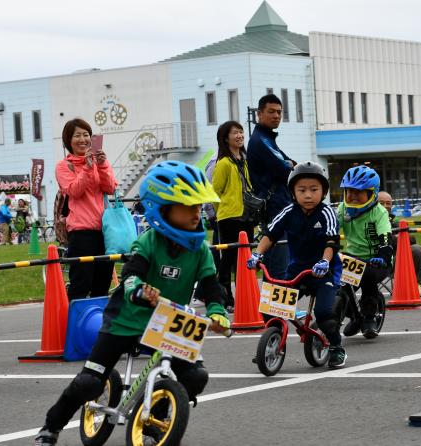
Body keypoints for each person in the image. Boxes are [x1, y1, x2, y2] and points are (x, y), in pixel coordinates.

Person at [34, 161, 231, 446]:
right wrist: (138, 290)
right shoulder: (148, 242)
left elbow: (212, 287)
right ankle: (50, 428)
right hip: (126, 318)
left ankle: (156, 421)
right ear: (162, 209)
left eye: (199, 207)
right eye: (188, 206)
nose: (196, 213)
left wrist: (216, 311)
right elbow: (130, 276)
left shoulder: (200, 249)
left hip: (169, 320)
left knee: (196, 377)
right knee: (90, 382)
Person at [246, 162, 346, 368]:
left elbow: (331, 242)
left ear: (323, 192)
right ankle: (272, 342)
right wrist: (257, 255)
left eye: (314, 190)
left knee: (324, 314)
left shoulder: (327, 213)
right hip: (297, 270)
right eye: (302, 190)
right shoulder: (288, 212)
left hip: (324, 272)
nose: (308, 195)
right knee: (271, 305)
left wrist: (324, 261)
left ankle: (336, 346)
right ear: (293, 192)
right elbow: (270, 235)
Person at [56, 118, 118, 300]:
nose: (83, 139)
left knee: (102, 284)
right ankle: (75, 326)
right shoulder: (63, 166)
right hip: (81, 232)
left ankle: (97, 326)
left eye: (86, 135)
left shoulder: (99, 162)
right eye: (77, 136)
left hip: (105, 230)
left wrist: (103, 165)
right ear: (69, 140)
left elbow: (110, 188)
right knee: (80, 285)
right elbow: (74, 190)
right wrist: (87, 169)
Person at [336, 165, 393, 339]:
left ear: (371, 193)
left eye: (357, 192)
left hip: (376, 260)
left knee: (368, 278)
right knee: (338, 286)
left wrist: (382, 256)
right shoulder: (342, 209)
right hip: (351, 257)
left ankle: (368, 317)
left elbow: (385, 238)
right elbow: (331, 231)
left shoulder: (379, 212)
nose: (352, 196)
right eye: (349, 191)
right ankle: (354, 316)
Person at [247, 93, 296, 280]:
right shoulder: (261, 140)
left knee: (280, 264)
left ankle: (275, 309)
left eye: (279, 112)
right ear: (259, 114)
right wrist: (288, 164)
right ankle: (275, 310)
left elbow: (293, 164)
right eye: (271, 112)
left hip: (280, 206)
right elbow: (286, 169)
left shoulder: (268, 139)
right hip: (274, 208)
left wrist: (289, 164)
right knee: (279, 268)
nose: (276, 116)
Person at [212, 121, 255, 312]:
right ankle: (226, 298)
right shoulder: (223, 163)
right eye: (235, 133)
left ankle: (245, 296)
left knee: (245, 259)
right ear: (225, 138)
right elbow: (215, 192)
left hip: (246, 216)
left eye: (241, 132)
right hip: (229, 217)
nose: (240, 135)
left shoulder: (244, 160)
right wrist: (222, 211)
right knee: (227, 259)